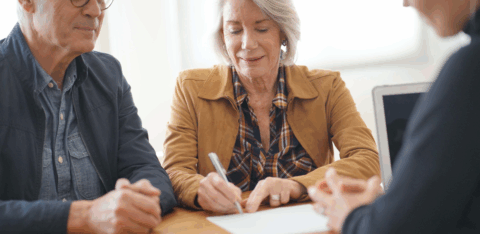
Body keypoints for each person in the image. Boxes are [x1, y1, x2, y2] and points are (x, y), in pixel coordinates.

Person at [163, 0, 380, 214]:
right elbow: (174, 171)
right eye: (235, 30)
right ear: (223, 37)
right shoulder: (190, 88)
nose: (247, 44)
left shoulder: (327, 87)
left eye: (262, 28)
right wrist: (199, 191)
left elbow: (367, 159)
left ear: (283, 33)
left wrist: (296, 185)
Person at [0, 0, 176, 233]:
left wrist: (138, 201)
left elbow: (146, 168)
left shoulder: (109, 74)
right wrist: (84, 217)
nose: (95, 10)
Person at [309, 0, 480, 233]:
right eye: (238, 30)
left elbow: (392, 228)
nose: (405, 3)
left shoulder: (470, 69)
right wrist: (398, 202)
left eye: (262, 29)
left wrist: (351, 217)